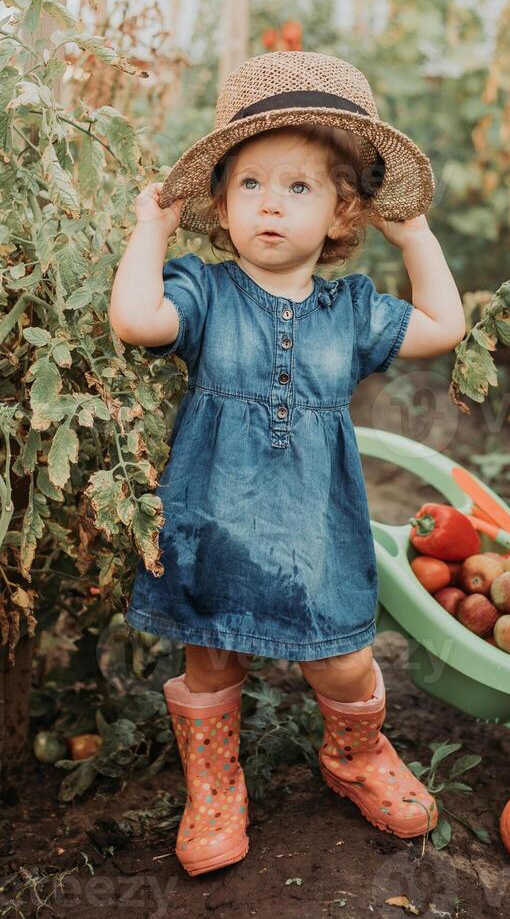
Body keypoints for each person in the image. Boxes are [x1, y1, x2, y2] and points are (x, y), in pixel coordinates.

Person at [109, 50, 466, 878]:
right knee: (211, 650)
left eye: (299, 187)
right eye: (250, 184)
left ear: (344, 212)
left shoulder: (350, 311)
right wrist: (150, 229)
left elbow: (442, 324)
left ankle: (353, 755)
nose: (271, 203)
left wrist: (413, 232)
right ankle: (216, 783)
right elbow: (135, 319)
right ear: (223, 205)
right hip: (212, 514)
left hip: (314, 519)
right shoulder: (204, 291)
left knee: (339, 653)